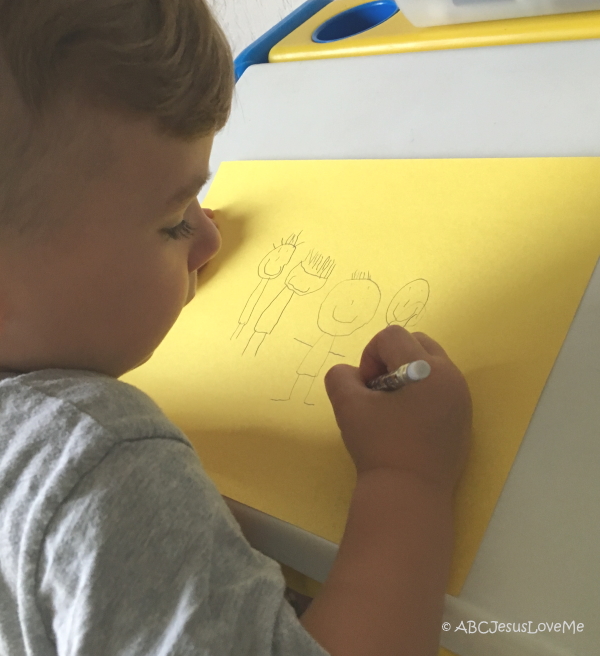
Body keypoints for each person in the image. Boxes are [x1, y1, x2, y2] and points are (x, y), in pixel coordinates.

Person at [0, 1, 472, 655]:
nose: (210, 232)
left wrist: (141, 254)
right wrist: (407, 477)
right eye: (174, 222)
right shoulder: (102, 471)